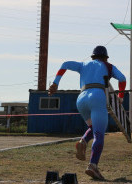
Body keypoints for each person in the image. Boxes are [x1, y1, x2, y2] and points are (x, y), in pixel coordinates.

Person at [48, 46, 126, 180]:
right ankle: (93, 165)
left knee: (93, 128)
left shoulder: (84, 64)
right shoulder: (109, 66)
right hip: (98, 96)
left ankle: (83, 141)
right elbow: (123, 79)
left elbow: (65, 64)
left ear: (93, 57)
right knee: (99, 134)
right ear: (105, 57)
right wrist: (120, 97)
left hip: (81, 99)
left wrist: (56, 83)